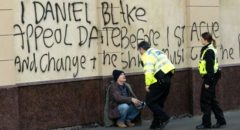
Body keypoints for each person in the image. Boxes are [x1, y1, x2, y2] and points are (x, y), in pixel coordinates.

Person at [137, 41, 175, 129]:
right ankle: (156, 124)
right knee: (158, 102)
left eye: (139, 50)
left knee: (150, 101)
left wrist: (147, 84)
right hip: (167, 78)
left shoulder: (147, 55)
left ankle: (164, 118)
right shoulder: (157, 51)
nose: (140, 52)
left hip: (158, 79)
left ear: (142, 49)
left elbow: (149, 70)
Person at [196, 32, 226, 129]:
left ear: (205, 40)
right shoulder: (208, 49)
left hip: (210, 78)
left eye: (201, 39)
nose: (200, 40)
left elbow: (210, 68)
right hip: (211, 77)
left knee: (205, 101)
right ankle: (221, 121)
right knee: (212, 100)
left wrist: (208, 82)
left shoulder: (208, 51)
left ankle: (206, 124)